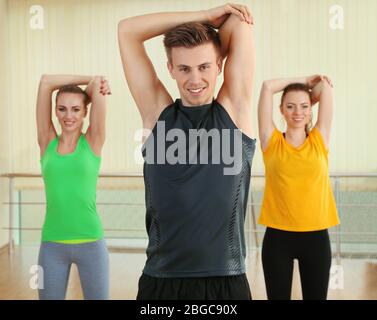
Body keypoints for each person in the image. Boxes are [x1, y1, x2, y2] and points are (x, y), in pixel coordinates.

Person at [118, 4, 256, 300]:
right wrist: (204, 16)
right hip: (162, 282)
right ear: (170, 69)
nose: (195, 80)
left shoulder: (235, 110)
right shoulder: (157, 115)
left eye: (204, 66)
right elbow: (127, 31)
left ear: (220, 64)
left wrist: (210, 25)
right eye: (184, 68)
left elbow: (239, 22)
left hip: (226, 282)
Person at [257, 75, 340, 300]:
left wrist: (311, 92)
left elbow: (325, 87)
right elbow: (267, 86)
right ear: (281, 109)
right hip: (278, 238)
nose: (297, 112)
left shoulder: (320, 138)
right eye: (290, 106)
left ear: (312, 109)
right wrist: (304, 80)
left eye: (304, 106)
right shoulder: (270, 141)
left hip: (316, 237)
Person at [36, 74, 111, 300]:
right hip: (51, 245)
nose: (68, 116)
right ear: (55, 111)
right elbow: (45, 82)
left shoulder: (92, 141)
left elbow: (98, 85)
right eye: (62, 109)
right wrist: (87, 79)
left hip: (92, 243)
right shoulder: (46, 141)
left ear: (85, 111)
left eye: (76, 109)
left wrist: (93, 85)